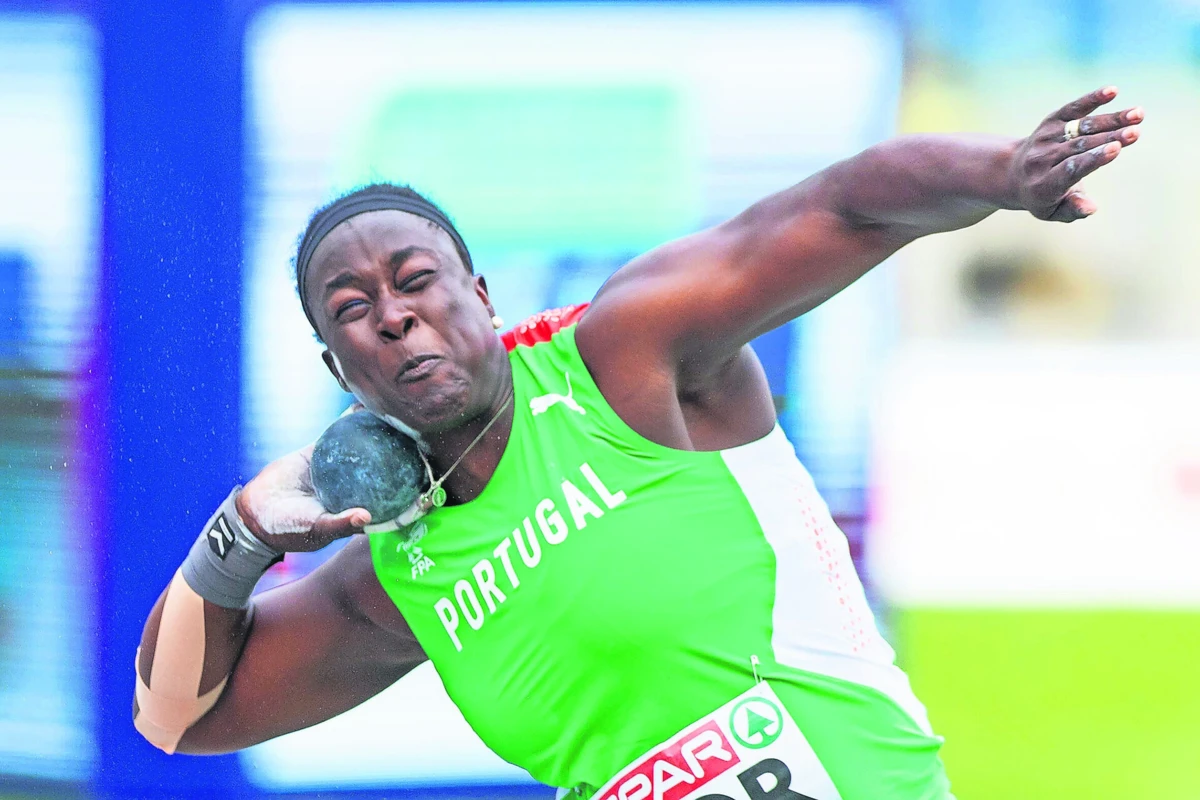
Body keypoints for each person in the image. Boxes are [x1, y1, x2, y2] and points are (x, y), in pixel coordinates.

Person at [133, 87, 1142, 799]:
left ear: (480, 295)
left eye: (415, 278)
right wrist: (242, 533)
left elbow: (842, 204)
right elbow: (175, 714)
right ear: (336, 365)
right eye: (353, 307)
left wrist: (1004, 172)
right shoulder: (400, 573)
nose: (393, 315)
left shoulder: (624, 359)